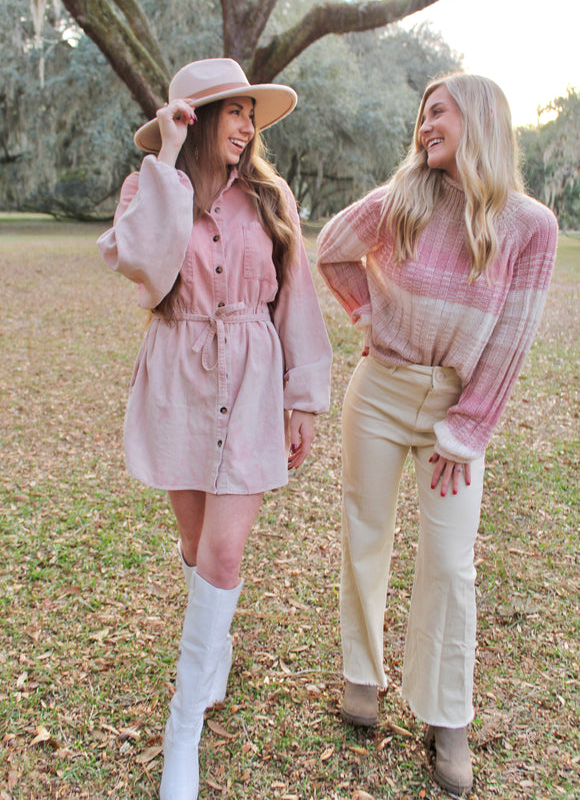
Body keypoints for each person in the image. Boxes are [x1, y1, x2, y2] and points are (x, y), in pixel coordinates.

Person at [97, 58, 332, 800]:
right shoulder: (149, 189)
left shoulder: (271, 195)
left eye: (250, 115)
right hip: (181, 380)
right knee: (199, 549)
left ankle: (182, 730)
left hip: (253, 378)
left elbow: (295, 297)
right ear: (195, 118)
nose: (246, 126)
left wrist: (303, 395)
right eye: (232, 111)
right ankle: (214, 651)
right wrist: (164, 157)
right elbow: (142, 263)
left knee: (224, 552)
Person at [316, 73, 557, 795]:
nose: (424, 127)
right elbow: (329, 247)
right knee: (366, 533)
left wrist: (467, 429)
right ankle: (364, 675)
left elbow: (513, 338)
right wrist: (369, 319)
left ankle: (445, 712)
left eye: (438, 114)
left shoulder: (528, 226)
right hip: (380, 391)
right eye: (421, 117)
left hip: (457, 408)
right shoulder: (401, 202)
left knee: (451, 563)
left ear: (479, 119)